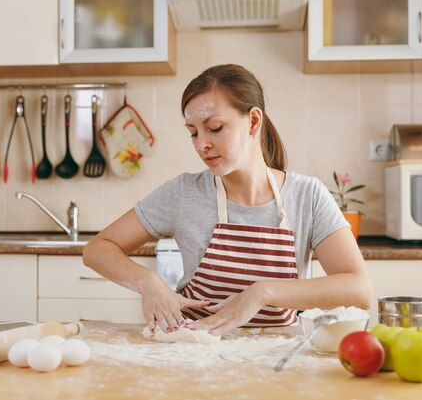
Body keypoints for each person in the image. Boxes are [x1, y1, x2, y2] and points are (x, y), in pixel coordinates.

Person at [83, 64, 372, 336]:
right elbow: (97, 249)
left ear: (253, 121)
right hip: (195, 353)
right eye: (193, 133)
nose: (201, 144)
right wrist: (148, 282)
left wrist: (262, 293)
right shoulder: (184, 193)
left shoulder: (307, 195)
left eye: (215, 128)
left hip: (279, 359)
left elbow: (358, 290)